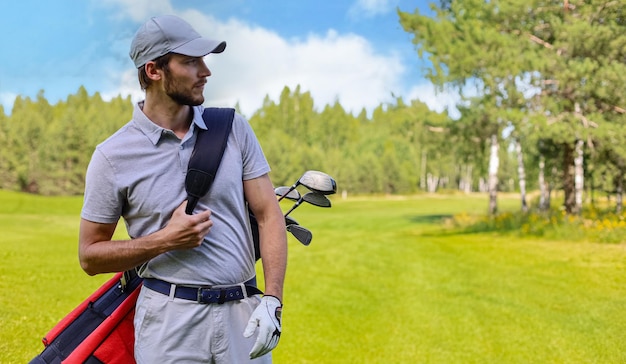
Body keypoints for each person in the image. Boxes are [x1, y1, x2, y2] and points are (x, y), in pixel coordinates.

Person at [78, 15, 288, 363]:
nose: (205, 71)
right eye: (191, 62)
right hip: (168, 322)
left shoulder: (233, 128)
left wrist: (273, 300)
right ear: (155, 70)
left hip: (243, 314)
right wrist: (165, 239)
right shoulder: (112, 156)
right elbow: (89, 256)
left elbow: (269, 215)